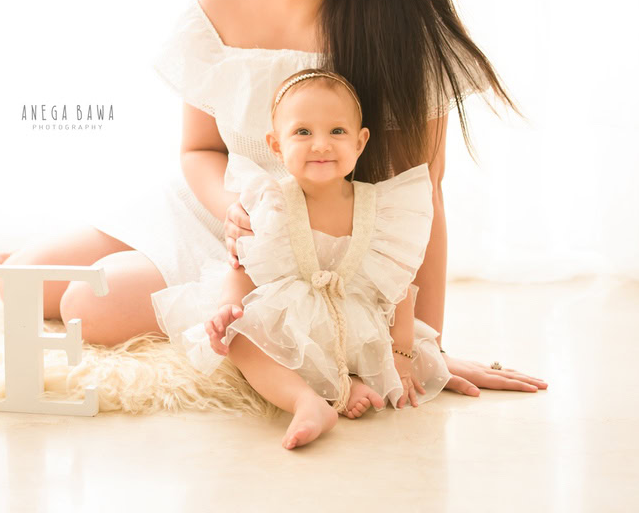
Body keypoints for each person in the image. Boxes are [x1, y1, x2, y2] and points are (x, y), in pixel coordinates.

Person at [0, 0, 547, 396]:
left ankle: (182, 298)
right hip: (223, 206)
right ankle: (117, 257)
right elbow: (200, 148)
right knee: (18, 282)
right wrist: (231, 206)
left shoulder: (399, 27)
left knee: (87, 305)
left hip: (305, 248)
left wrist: (426, 342)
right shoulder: (221, 0)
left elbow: (421, 195)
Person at [154, 69, 450, 449]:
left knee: (373, 350)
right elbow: (244, 265)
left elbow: (399, 288)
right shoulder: (272, 203)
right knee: (239, 339)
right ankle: (307, 401)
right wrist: (228, 308)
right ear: (276, 146)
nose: (321, 145)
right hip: (298, 324)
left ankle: (349, 382)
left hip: (355, 324)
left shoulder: (382, 209)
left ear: (361, 143)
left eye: (337, 132)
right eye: (303, 133)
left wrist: (402, 355)